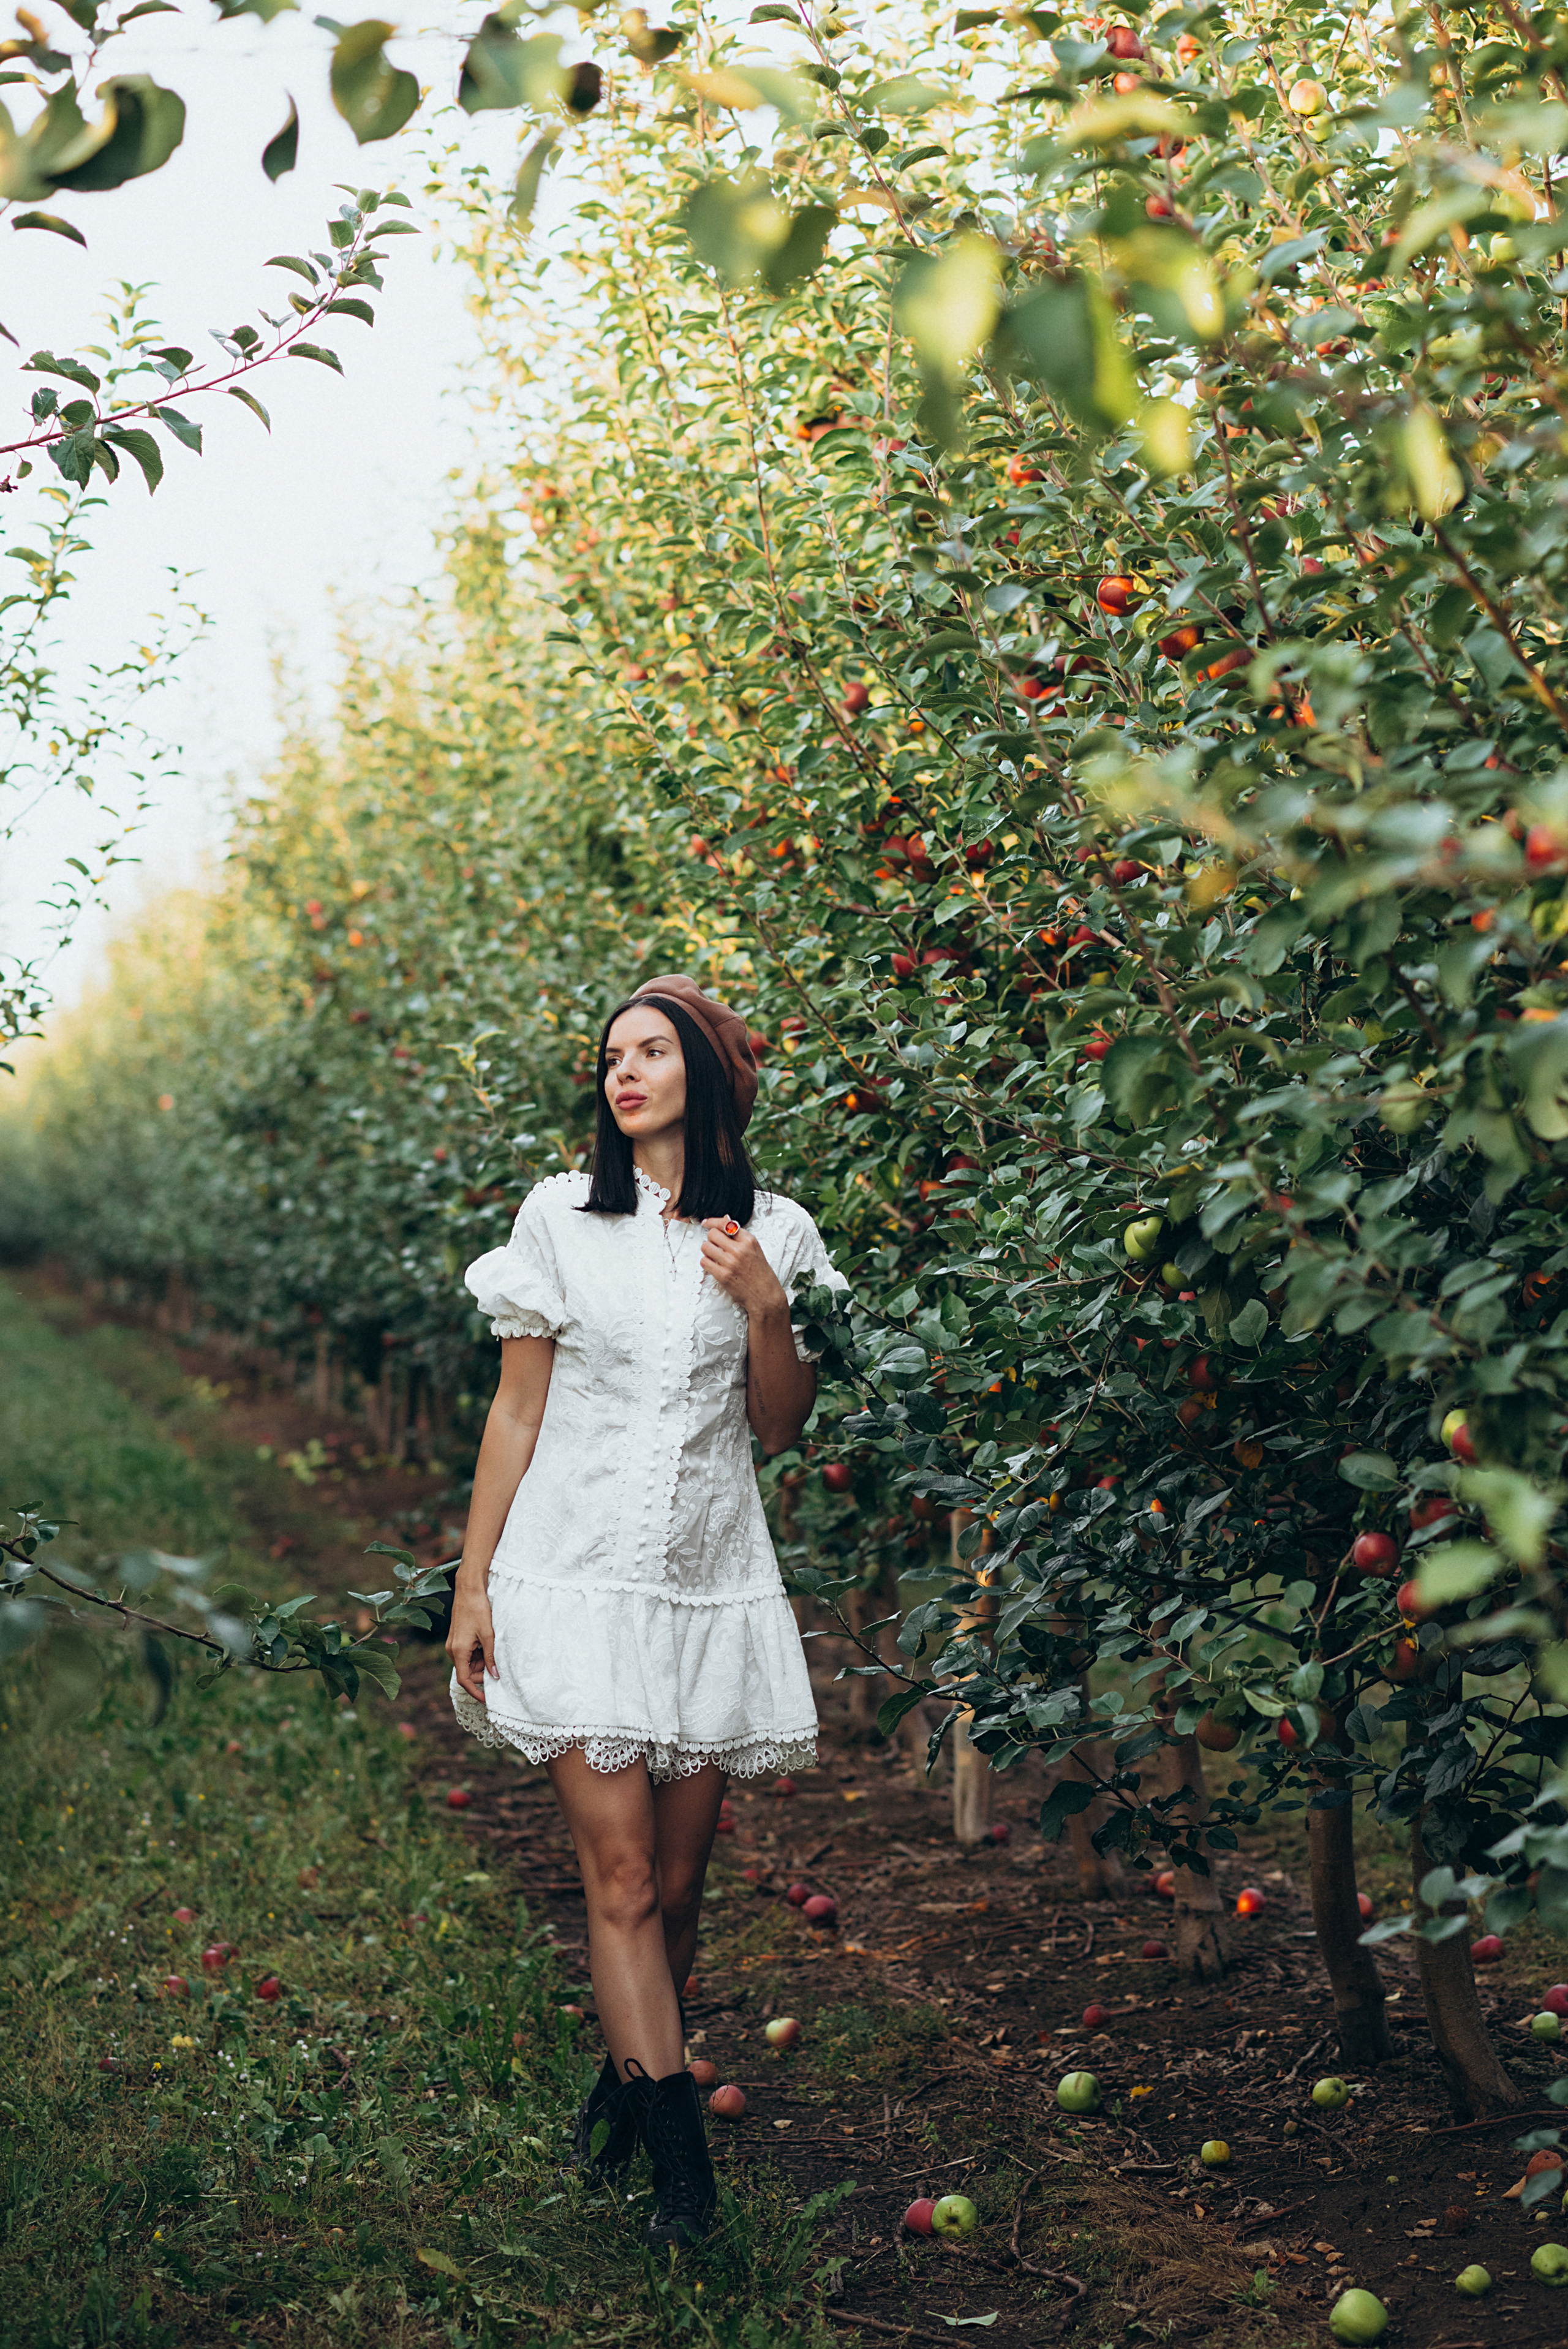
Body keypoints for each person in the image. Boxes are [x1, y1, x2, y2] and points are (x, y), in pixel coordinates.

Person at [445, 973, 846, 2247]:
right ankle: (684, 2173)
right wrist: (471, 1581)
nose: (623, 1074)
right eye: (610, 1056)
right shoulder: (560, 1218)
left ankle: (623, 2088)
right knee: (618, 1878)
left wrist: (763, 1306)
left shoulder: (773, 1230)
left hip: (705, 1585)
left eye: (651, 1051)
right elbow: (516, 1409)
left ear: (706, 1075)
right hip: (567, 1576)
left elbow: (777, 1428)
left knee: (676, 1890)